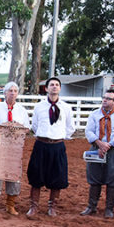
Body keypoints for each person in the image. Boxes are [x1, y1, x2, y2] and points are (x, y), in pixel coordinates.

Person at [26, 77, 75, 217]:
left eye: (57, 85)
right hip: (41, 145)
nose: (54, 87)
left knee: (57, 177)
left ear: (60, 88)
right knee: (36, 176)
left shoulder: (66, 107)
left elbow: (70, 127)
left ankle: (52, 207)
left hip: (58, 146)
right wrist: (45, 136)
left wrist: (58, 136)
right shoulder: (39, 107)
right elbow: (34, 126)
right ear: (46, 88)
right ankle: (34, 207)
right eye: (51, 85)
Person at [80, 88, 114, 218]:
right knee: (94, 177)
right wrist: (99, 143)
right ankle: (92, 206)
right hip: (96, 147)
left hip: (113, 150)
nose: (105, 100)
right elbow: (89, 131)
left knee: (113, 178)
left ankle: (109, 209)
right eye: (104, 98)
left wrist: (108, 145)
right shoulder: (95, 114)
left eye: (108, 99)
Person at [0, 81, 30, 216]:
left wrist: (16, 129)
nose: (13, 93)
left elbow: (27, 129)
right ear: (5, 93)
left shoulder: (22, 111)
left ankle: (11, 205)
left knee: (14, 175)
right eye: (10, 90)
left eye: (15, 91)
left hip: (15, 147)